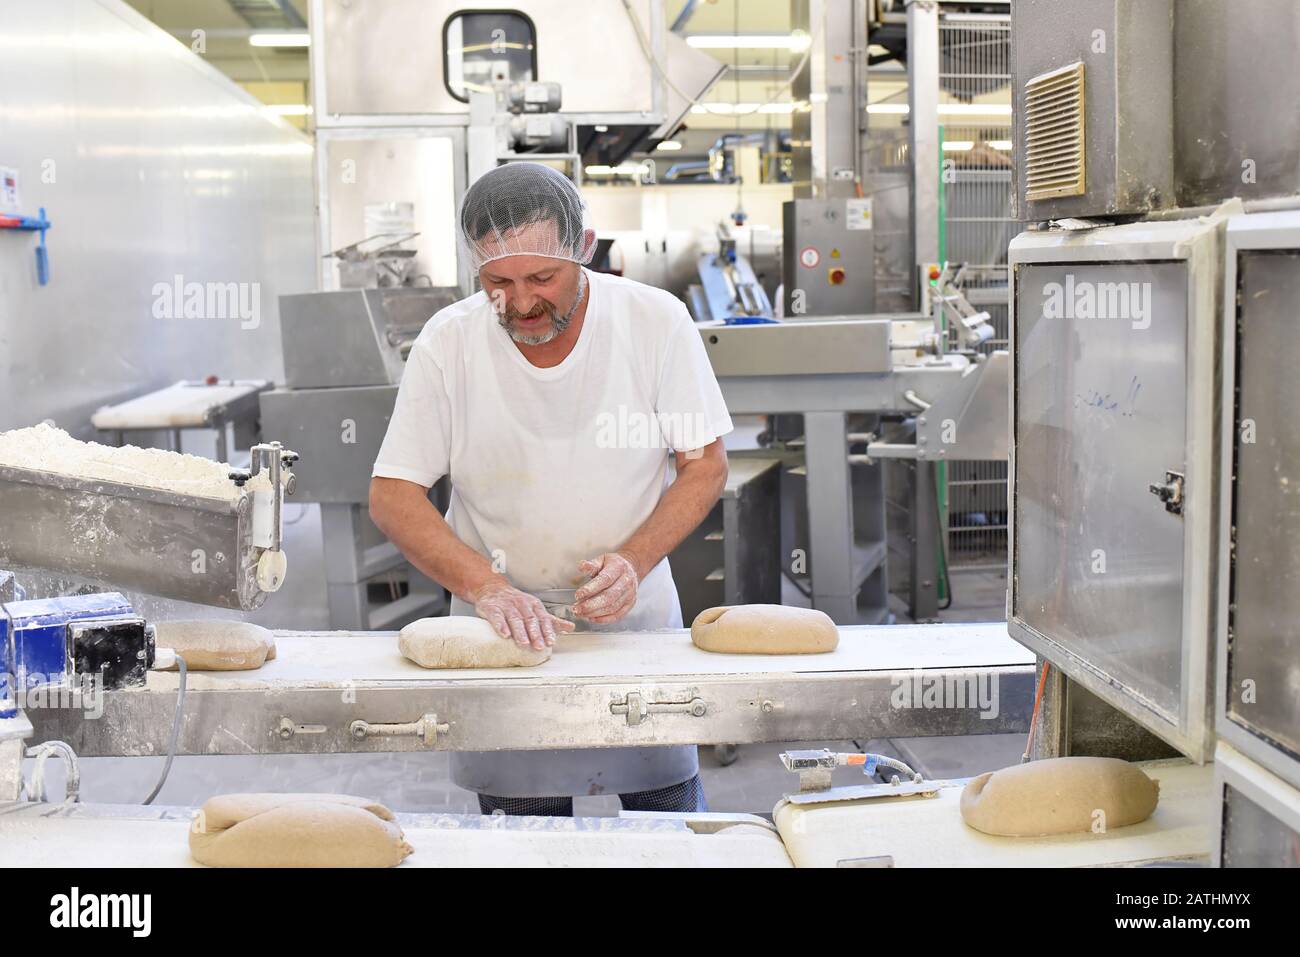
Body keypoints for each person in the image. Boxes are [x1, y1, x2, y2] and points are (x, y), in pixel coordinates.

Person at [369, 162, 733, 816]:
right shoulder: (448, 344)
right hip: (501, 638)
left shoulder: (654, 322)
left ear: (584, 248)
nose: (523, 301)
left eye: (543, 277)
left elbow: (703, 463)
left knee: (669, 830)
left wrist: (633, 560)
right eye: (498, 282)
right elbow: (393, 494)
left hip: (634, 627)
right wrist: (487, 585)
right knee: (523, 837)